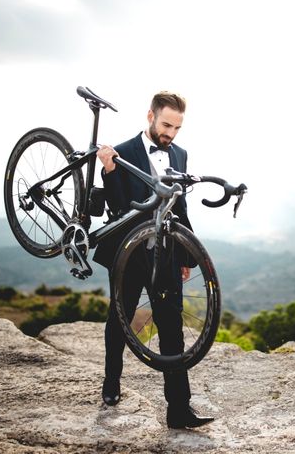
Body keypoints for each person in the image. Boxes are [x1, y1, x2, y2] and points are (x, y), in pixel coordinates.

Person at [94, 91, 214, 429]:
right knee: (120, 318)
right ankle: (112, 381)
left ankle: (178, 410)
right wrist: (108, 170)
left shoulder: (180, 154)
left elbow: (181, 206)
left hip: (166, 253)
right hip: (128, 253)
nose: (171, 134)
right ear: (150, 116)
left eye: (177, 127)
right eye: (166, 125)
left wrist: (187, 253)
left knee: (172, 327)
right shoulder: (123, 151)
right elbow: (117, 209)